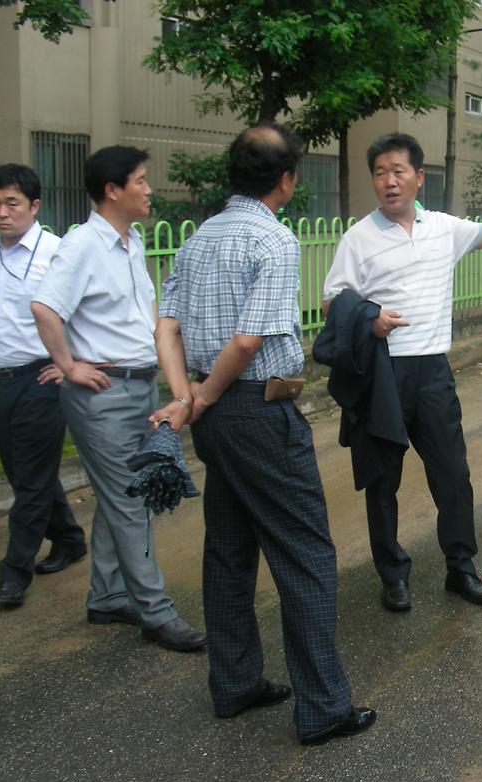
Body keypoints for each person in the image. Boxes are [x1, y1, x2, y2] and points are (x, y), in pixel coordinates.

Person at [153, 124, 375, 744]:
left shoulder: (197, 241)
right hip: (253, 409)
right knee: (306, 554)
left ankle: (236, 684)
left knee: (228, 549)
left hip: (214, 414)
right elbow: (250, 339)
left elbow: (165, 326)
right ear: (287, 179)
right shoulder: (274, 241)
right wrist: (210, 393)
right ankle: (324, 708)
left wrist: (187, 397)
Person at [322, 132, 482, 612]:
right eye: (380, 172)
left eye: (398, 171)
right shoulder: (358, 237)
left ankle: (461, 568)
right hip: (382, 376)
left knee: (453, 475)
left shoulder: (443, 228)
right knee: (383, 482)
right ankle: (392, 574)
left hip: (432, 371)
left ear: (419, 177)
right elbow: (332, 301)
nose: (389, 181)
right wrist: (368, 316)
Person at [31, 146, 207, 650]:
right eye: (141, 180)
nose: (149, 190)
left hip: (139, 387)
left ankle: (108, 596)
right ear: (113, 189)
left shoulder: (129, 243)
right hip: (102, 394)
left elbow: (148, 320)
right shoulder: (82, 244)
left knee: (120, 497)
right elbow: (45, 308)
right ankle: (156, 612)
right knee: (132, 499)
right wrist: (67, 365)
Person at [0, 164, 87, 608]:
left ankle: (14, 572)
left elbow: (81, 314)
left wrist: (68, 365)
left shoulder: (57, 253)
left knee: (31, 481)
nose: (1, 213)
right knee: (24, 475)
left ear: (34, 206)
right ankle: (70, 539)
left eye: (12, 203)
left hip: (41, 379)